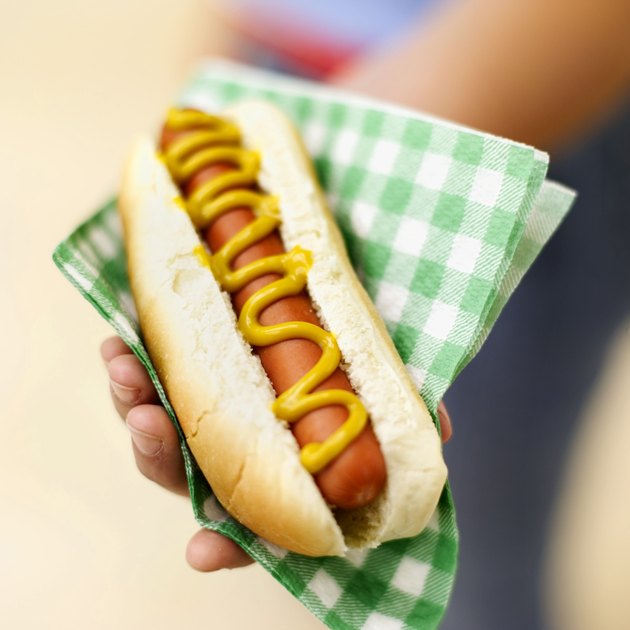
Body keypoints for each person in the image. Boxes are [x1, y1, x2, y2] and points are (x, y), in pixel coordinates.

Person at [102, 1, 630, 627]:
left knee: (478, 569)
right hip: (284, 66)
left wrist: (351, 149)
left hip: (526, 108)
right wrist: (225, 62)